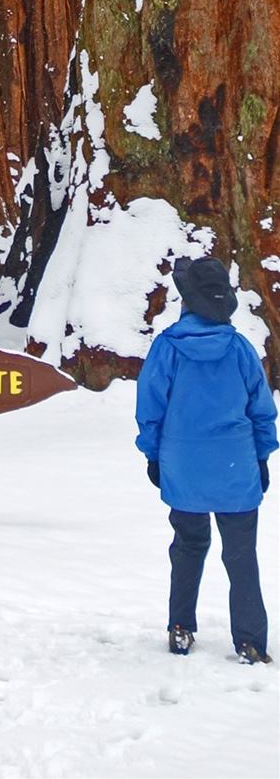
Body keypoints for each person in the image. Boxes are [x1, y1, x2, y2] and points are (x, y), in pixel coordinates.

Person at [136, 254, 277, 662]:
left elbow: (151, 408)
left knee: (187, 545)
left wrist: (153, 456)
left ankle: (180, 627)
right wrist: (262, 457)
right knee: (240, 555)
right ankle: (250, 641)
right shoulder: (239, 349)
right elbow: (262, 410)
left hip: (183, 467)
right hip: (237, 466)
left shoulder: (168, 347)